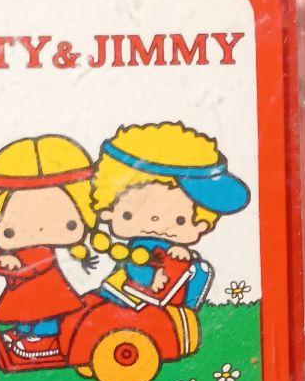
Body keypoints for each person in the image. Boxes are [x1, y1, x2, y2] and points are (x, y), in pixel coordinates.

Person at [0, 135, 97, 359]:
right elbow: (0, 254)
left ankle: (45, 340)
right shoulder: (13, 249)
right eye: (9, 230)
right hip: (23, 291)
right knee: (24, 313)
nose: (38, 228)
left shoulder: (42, 251)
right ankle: (24, 333)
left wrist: (17, 263)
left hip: (46, 291)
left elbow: (37, 265)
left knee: (44, 313)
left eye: (69, 223)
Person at [89, 122, 250, 308]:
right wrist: (150, 279)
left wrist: (183, 253)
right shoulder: (140, 248)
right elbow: (134, 265)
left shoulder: (171, 248)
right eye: (130, 214)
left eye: (180, 220)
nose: (155, 222)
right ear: (108, 212)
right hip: (124, 301)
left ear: (202, 223)